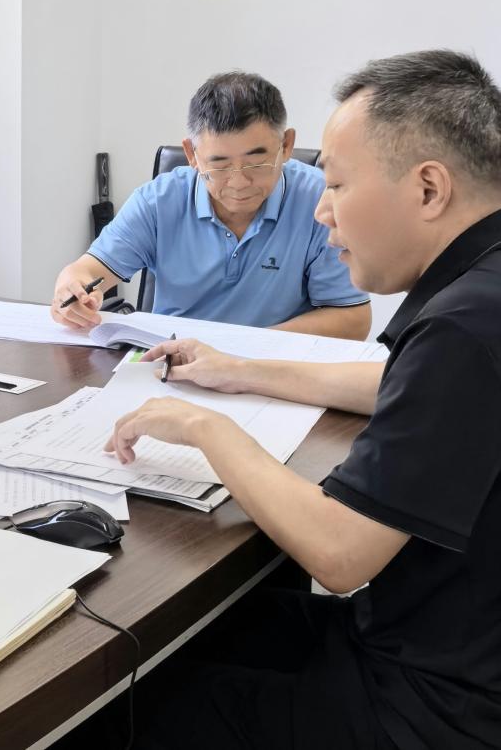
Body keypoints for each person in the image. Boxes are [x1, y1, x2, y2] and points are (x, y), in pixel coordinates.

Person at [108, 50, 501, 749]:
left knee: (128, 704)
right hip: (443, 639)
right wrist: (242, 370)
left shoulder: (465, 329)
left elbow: (339, 554)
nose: (320, 210)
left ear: (428, 188)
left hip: (431, 703)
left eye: (338, 184)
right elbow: (406, 386)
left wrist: (204, 427)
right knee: (198, 634)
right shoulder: (482, 290)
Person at [52, 72, 370, 339]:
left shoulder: (321, 201)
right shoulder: (159, 201)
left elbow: (351, 319)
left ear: (286, 145)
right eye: (219, 165)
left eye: (256, 163)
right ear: (192, 154)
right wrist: (72, 292)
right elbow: (86, 270)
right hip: (172, 364)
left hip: (273, 369)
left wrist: (241, 352)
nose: (238, 182)